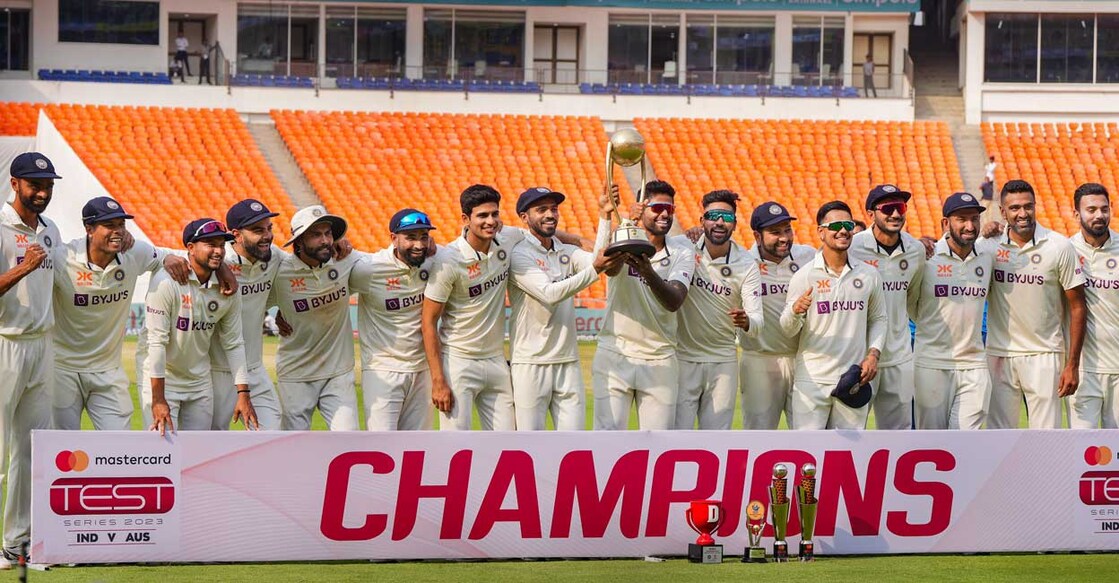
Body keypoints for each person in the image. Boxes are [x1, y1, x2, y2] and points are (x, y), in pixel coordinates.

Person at [52, 197, 189, 430]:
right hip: (62, 369)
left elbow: (166, 256)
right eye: (110, 225)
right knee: (62, 451)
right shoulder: (61, 258)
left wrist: (170, 258)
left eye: (121, 225)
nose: (117, 232)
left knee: (120, 446)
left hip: (109, 370)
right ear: (89, 229)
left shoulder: (134, 253)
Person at [981, 179, 1086, 429]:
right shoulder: (988, 246)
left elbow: (1078, 306)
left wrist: (1072, 365)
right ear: (1003, 211)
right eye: (1014, 208)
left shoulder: (1059, 246)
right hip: (1000, 353)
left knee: (1046, 435)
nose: (1022, 213)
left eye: (1028, 206)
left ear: (1035, 206)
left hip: (1045, 353)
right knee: (999, 436)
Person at [508, 187, 615, 431]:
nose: (550, 215)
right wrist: (595, 269)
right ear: (524, 217)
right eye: (541, 209)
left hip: (568, 361)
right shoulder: (519, 255)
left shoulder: (566, 251)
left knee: (573, 445)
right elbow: (549, 294)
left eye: (554, 209)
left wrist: (604, 217)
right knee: (529, 443)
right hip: (530, 363)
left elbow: (598, 259)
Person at [592, 180, 695, 431]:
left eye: (669, 209)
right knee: (607, 439)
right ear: (641, 207)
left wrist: (647, 271)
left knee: (657, 444)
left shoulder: (683, 251)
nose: (664, 214)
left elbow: (674, 301)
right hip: (615, 353)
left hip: (660, 357)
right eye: (657, 207)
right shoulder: (624, 235)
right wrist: (628, 224)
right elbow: (606, 267)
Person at [0, 152, 61, 566]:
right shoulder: (1, 227)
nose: (41, 193)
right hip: (5, 344)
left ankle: (16, 545)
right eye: (33, 185)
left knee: (31, 452)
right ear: (14, 183)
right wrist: (21, 269)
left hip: (42, 347)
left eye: (48, 186)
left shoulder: (51, 229)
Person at [423, 185, 525, 431]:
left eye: (494, 214)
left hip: (496, 360)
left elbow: (539, 234)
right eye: (482, 216)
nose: (491, 221)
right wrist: (438, 381)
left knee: (508, 446)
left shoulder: (507, 238)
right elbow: (428, 322)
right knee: (456, 447)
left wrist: (579, 240)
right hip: (459, 362)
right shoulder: (449, 260)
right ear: (465, 219)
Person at [780, 200, 886, 430]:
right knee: (807, 457)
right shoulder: (805, 276)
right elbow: (787, 329)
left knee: (848, 458)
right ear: (821, 232)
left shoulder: (869, 274)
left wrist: (873, 355)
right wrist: (795, 311)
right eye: (836, 225)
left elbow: (878, 319)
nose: (843, 231)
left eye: (847, 224)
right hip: (812, 380)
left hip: (852, 378)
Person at [144, 218, 255, 435]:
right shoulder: (166, 282)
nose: (218, 251)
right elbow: (156, 342)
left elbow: (234, 343)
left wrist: (243, 394)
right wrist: (158, 400)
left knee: (198, 452)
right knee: (161, 452)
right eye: (210, 244)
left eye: (222, 245)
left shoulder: (228, 288)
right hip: (165, 379)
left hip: (200, 381)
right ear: (191, 248)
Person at [674, 190, 763, 430]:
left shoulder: (746, 264)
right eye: (713, 215)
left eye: (727, 216)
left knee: (716, 440)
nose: (720, 222)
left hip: (722, 361)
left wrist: (745, 322)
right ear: (702, 220)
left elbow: (757, 324)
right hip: (683, 357)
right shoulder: (683, 247)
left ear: (735, 223)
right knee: (676, 437)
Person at [270, 205, 361, 431]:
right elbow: (251, 299)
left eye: (328, 233)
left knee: (348, 441)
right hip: (295, 374)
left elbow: (386, 262)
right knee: (293, 447)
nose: (325, 241)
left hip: (338, 373)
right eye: (315, 234)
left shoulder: (345, 260)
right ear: (298, 241)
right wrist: (280, 313)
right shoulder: (280, 272)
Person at [349, 208, 438, 431]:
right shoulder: (369, 269)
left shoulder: (433, 261)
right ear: (393, 238)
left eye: (423, 237)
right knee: (382, 446)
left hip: (421, 370)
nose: (419, 245)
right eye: (410, 237)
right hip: (383, 370)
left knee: (418, 448)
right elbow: (332, 287)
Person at [912, 193, 994, 430]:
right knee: (932, 443)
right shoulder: (926, 256)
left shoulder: (987, 256)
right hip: (931, 362)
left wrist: (998, 229)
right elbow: (910, 302)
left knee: (967, 441)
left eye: (975, 219)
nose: (970, 226)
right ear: (945, 224)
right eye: (962, 219)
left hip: (974, 363)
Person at [848, 184, 925, 430]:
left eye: (900, 207)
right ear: (871, 213)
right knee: (851, 429)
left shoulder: (915, 250)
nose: (895, 214)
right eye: (888, 208)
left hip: (899, 356)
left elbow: (912, 297)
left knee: (898, 434)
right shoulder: (853, 246)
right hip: (858, 356)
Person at [207, 200, 286, 431]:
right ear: (236, 235)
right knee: (211, 446)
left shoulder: (275, 258)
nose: (267, 236)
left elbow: (302, 270)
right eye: (257, 230)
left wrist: (284, 309)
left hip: (253, 368)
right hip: (215, 372)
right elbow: (179, 256)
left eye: (269, 228)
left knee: (271, 438)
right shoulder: (216, 260)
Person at [740, 201, 817, 430]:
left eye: (787, 230)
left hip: (803, 359)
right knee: (759, 435)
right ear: (757, 236)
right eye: (775, 232)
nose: (784, 238)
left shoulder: (808, 257)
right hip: (760, 359)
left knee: (807, 433)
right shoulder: (744, 263)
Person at [1068, 183, 1119, 429]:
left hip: (1118, 369)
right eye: (1091, 210)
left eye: (1104, 208)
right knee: (1081, 449)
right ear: (1077, 214)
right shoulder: (1064, 250)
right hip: (1082, 370)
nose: (1099, 215)